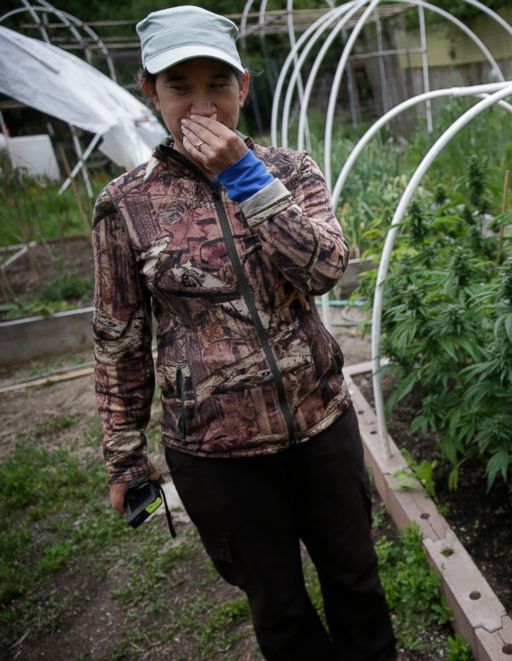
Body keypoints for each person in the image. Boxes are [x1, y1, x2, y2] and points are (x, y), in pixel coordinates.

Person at [91, 6, 396, 659]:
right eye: (180, 86)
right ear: (150, 92)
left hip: (321, 427)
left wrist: (247, 180)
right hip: (216, 455)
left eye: (217, 84)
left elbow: (326, 270)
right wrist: (122, 453)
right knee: (279, 611)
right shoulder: (125, 204)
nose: (201, 105)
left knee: (357, 584)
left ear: (244, 87)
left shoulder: (291, 171)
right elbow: (119, 337)